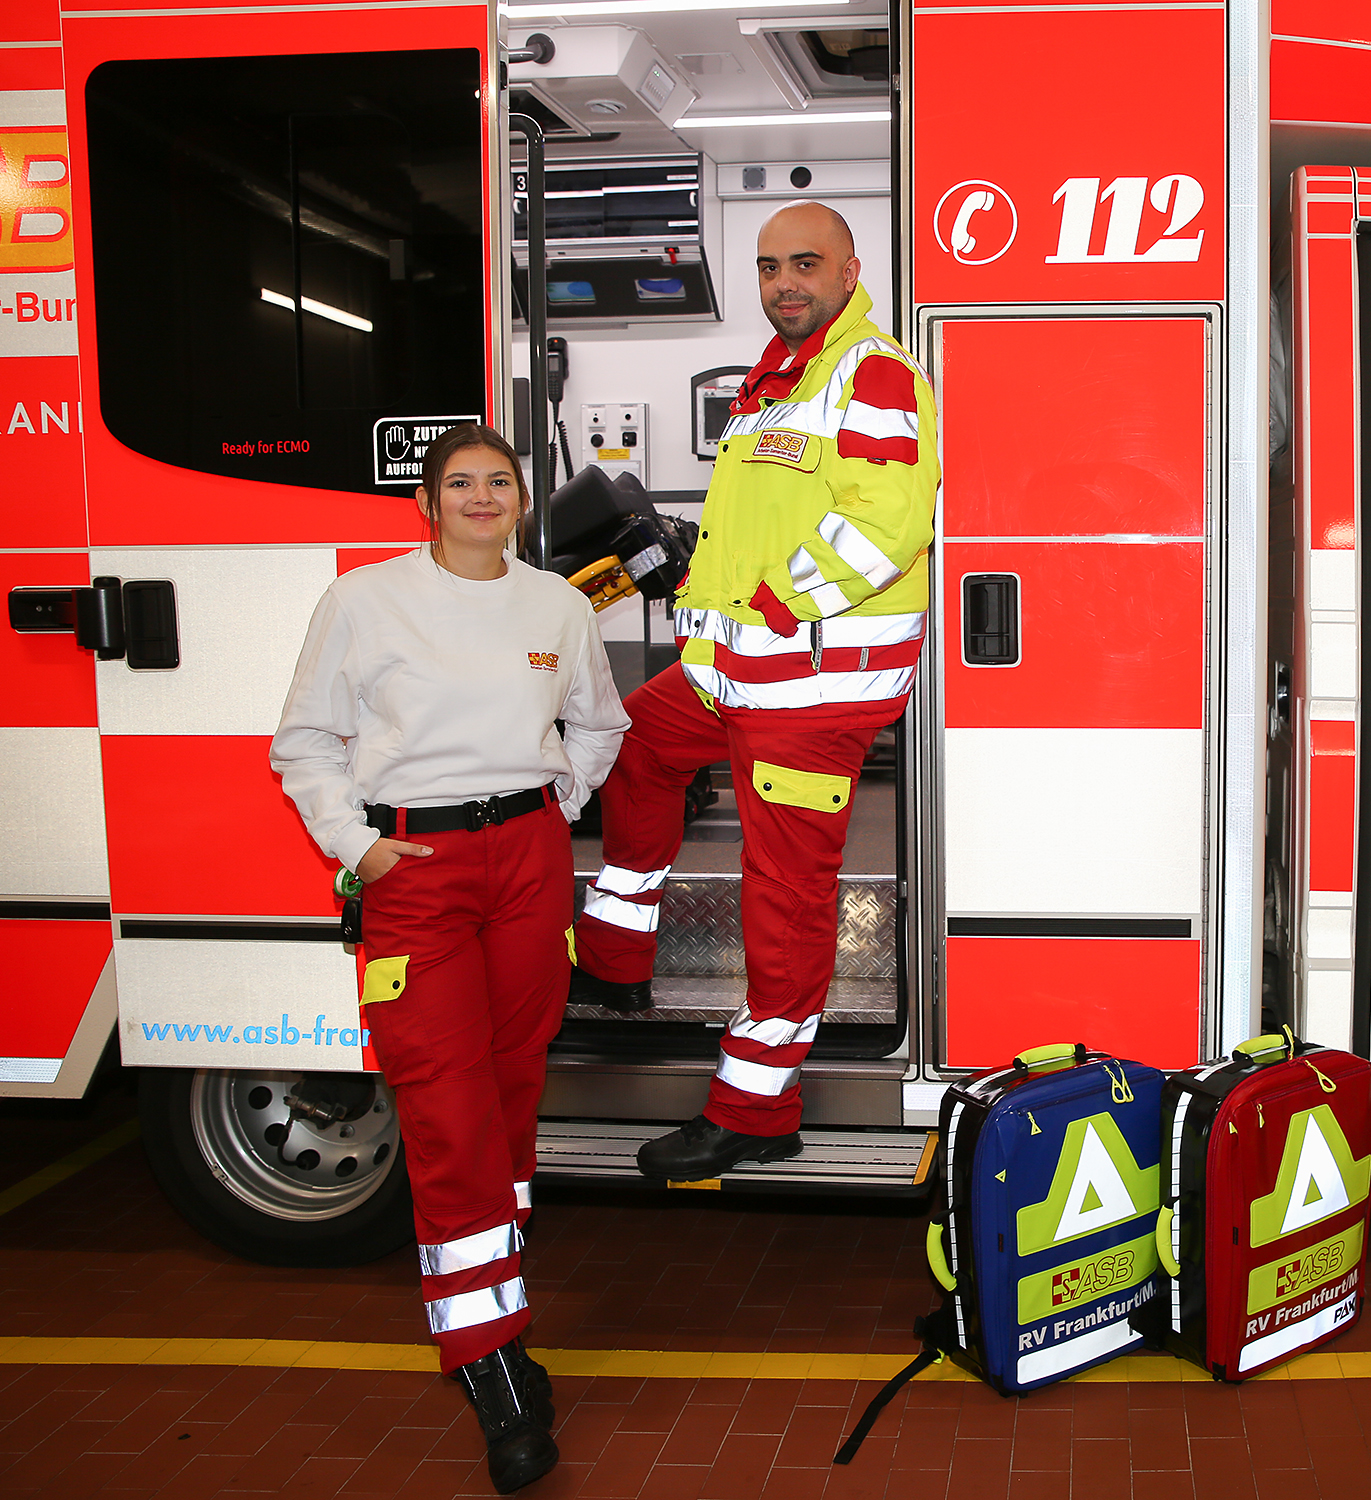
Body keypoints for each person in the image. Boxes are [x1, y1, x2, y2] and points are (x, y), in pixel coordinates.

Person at [271, 424, 628, 1495]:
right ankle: (491, 1361)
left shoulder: (558, 606)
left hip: (523, 858)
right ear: (426, 502)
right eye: (461, 483)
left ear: (521, 500)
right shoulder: (364, 601)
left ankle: (495, 1278)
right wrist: (359, 845)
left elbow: (597, 723)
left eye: (500, 482)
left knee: (515, 1078)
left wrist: (557, 801)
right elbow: (305, 740)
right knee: (445, 1098)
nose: (483, 497)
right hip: (413, 865)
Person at [567, 202, 938, 1181]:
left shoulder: (874, 374)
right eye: (770, 266)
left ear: (850, 270)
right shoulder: (772, 385)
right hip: (732, 676)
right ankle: (613, 960)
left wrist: (782, 602)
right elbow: (745, 528)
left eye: (805, 264)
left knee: (782, 903)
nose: (785, 282)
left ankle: (753, 1111)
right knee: (628, 746)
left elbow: (887, 522)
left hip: (809, 690)